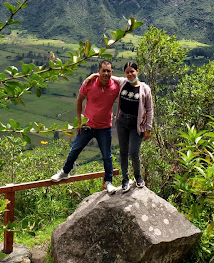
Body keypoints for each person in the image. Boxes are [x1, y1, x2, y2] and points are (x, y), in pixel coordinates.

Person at [50, 60, 121, 194]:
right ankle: (65, 172)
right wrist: (79, 121)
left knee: (107, 156)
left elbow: (130, 82)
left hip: (105, 127)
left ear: (112, 72)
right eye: (103, 70)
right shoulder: (89, 83)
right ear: (98, 71)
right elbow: (79, 100)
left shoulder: (116, 87)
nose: (106, 73)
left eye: (108, 71)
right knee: (75, 150)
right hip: (87, 125)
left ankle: (108, 182)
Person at [83, 61, 153, 192]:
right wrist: (93, 75)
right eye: (127, 72)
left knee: (133, 152)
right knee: (123, 151)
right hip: (122, 123)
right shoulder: (122, 82)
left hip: (136, 125)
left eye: (132, 71)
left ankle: (138, 177)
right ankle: (125, 178)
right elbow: (107, 75)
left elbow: (149, 110)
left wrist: (148, 129)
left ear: (137, 71)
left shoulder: (145, 88)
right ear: (125, 73)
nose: (130, 74)